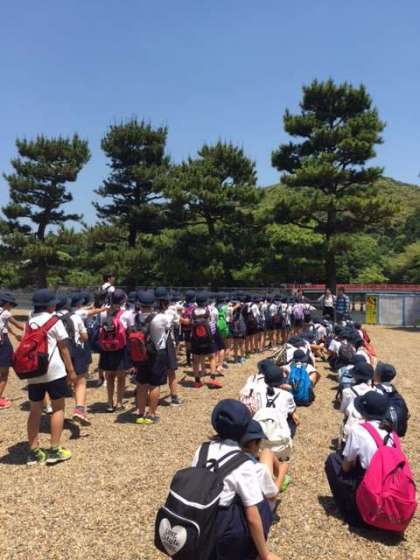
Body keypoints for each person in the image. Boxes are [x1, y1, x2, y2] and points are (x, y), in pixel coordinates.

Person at [192, 400, 281, 560]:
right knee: (259, 505)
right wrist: (265, 554)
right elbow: (252, 517)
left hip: (199, 516)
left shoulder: (202, 449)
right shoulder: (242, 463)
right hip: (221, 528)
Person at [325, 391, 396, 526]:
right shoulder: (392, 433)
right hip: (389, 484)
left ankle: (352, 513)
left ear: (363, 411)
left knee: (333, 460)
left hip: (369, 486)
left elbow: (346, 467)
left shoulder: (358, 431)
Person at [25, 289, 76, 465]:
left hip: (33, 372)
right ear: (50, 305)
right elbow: (64, 348)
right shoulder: (54, 321)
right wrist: (71, 370)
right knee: (58, 408)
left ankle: (34, 452)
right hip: (54, 371)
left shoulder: (29, 322)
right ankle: (54, 449)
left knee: (35, 410)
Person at [98, 289, 132, 412]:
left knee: (109, 376)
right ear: (123, 300)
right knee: (121, 377)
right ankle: (119, 403)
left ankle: (109, 403)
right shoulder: (127, 314)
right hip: (121, 348)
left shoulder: (104, 313)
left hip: (106, 348)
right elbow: (129, 332)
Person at [190, 292, 221, 388]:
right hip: (208, 338)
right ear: (205, 302)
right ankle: (212, 379)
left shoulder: (192, 312)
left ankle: (197, 381)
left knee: (195, 360)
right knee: (211, 357)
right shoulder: (209, 311)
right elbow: (212, 323)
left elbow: (191, 323)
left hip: (195, 339)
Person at [0, 292, 24, 409]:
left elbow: (6, 326)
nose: (12, 307)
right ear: (7, 304)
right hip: (2, 343)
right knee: (4, 373)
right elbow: (19, 325)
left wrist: (14, 334)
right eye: (12, 305)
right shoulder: (5, 313)